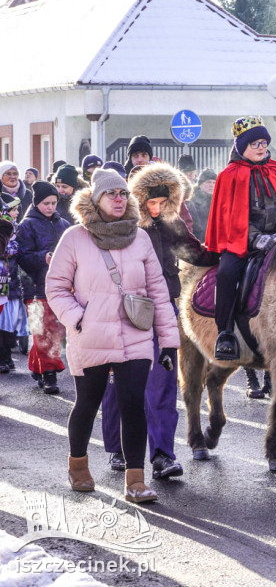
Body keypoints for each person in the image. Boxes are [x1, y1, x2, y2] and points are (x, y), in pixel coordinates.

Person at [46, 169, 179, 503]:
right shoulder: (75, 237)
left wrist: (168, 341)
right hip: (90, 334)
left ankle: (135, 481)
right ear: (96, 199)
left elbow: (158, 291)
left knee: (133, 404)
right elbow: (56, 286)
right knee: (88, 404)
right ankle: (78, 467)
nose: (119, 199)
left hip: (135, 335)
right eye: (111, 194)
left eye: (123, 193)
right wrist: (78, 319)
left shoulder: (141, 237)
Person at [101, 163, 218, 478]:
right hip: (124, 311)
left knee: (163, 384)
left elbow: (196, 253)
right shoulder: (122, 226)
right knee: (121, 381)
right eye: (151, 202)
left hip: (163, 307)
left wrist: (227, 255)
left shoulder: (170, 222)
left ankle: (163, 455)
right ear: (138, 199)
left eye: (162, 202)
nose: (156, 208)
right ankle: (117, 448)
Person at [206, 116, 276, 361]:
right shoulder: (229, 175)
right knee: (226, 273)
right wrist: (257, 239)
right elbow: (232, 217)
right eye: (255, 144)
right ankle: (225, 333)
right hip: (243, 243)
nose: (261, 147)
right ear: (241, 147)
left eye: (263, 142)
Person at [17, 180, 71, 394]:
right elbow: (21, 258)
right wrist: (44, 258)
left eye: (53, 203)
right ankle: (50, 375)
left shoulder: (64, 225)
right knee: (42, 332)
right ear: (36, 203)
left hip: (59, 287)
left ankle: (38, 368)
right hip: (35, 288)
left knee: (54, 331)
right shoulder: (26, 225)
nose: (50, 207)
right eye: (46, 203)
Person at [0, 194, 24, 373]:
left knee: (9, 320)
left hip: (10, 279)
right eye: (13, 209)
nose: (16, 212)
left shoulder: (13, 228)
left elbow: (16, 249)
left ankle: (6, 354)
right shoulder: (7, 228)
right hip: (5, 277)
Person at [189, 168, 217, 244]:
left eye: (214, 182)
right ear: (200, 184)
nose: (211, 185)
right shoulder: (192, 201)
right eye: (208, 182)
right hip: (199, 244)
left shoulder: (219, 201)